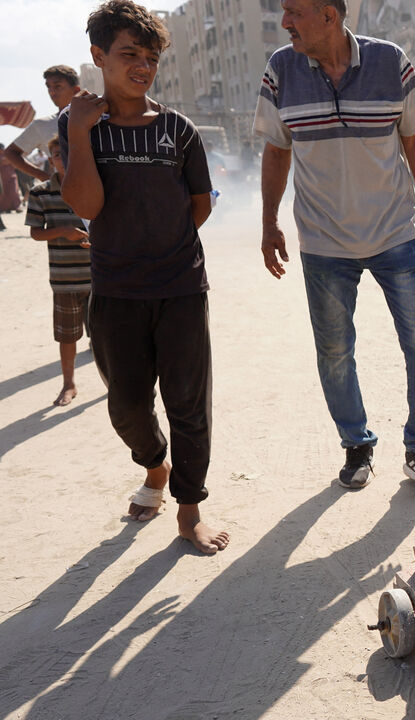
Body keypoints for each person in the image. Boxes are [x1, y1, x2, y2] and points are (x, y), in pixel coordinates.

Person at [256, 0, 415, 492]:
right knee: (334, 350)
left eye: (294, 12)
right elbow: (277, 149)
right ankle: (356, 445)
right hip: (323, 243)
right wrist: (269, 223)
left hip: (395, 234)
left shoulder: (390, 61)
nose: (285, 22)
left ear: (329, 15)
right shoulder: (281, 69)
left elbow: (414, 140)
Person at [60, 0, 228, 554]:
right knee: (127, 406)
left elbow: (199, 205)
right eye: (129, 53)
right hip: (115, 293)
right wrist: (82, 132)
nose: (142, 65)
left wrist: (166, 249)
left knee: (188, 402)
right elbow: (86, 203)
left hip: (180, 289)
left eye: (150, 56)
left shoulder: (178, 130)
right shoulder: (79, 126)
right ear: (98, 56)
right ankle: (155, 465)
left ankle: (188, 509)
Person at [26, 137, 91, 407]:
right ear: (50, 159)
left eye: (66, 152)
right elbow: (35, 233)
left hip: (99, 277)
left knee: (105, 336)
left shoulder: (92, 185)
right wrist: (65, 231)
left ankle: (114, 384)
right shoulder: (40, 192)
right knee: (67, 336)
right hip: (65, 279)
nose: (61, 158)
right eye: (56, 154)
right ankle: (69, 383)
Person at [4, 66, 81, 183]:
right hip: (64, 194)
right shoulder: (42, 125)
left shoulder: (96, 117)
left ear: (75, 90)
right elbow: (11, 153)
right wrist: (45, 177)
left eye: (58, 86)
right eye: (48, 87)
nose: (52, 91)